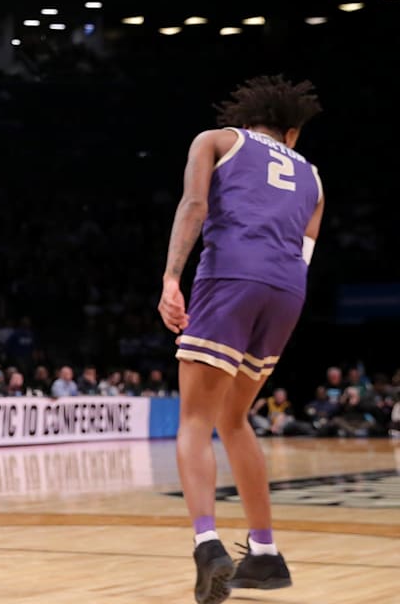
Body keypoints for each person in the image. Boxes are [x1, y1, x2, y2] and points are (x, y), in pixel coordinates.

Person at [157, 75, 323, 604]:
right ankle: (267, 552)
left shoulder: (217, 140)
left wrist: (170, 279)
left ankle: (207, 545)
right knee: (235, 418)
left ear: (246, 117)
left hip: (231, 274)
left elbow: (194, 207)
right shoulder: (315, 179)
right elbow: (304, 256)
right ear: (291, 133)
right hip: (287, 291)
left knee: (196, 420)